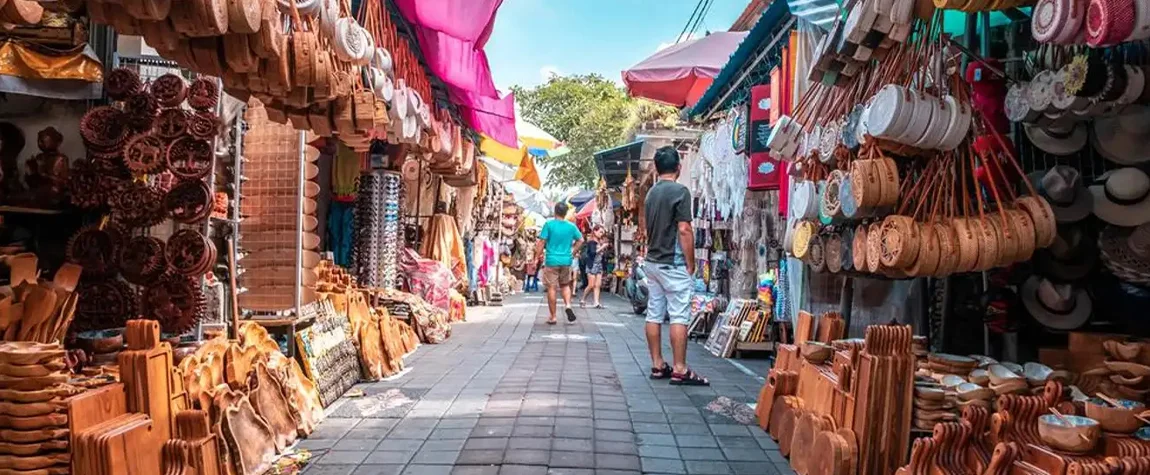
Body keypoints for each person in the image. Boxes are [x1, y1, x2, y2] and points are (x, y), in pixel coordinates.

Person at [642, 146, 708, 386]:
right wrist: (691, 263)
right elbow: (684, 229)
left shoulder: (650, 193)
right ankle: (680, 368)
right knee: (679, 315)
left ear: (657, 169)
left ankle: (658, 364)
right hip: (673, 262)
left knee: (654, 313)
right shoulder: (680, 191)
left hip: (653, 262)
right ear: (679, 168)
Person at [537, 202, 583, 324]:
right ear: (565, 213)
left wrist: (537, 257)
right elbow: (581, 240)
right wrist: (572, 253)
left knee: (552, 288)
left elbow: (541, 242)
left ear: (555, 212)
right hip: (566, 261)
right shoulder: (571, 226)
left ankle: (553, 316)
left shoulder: (549, 224)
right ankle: (568, 305)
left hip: (552, 260)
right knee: (565, 285)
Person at [580, 226, 609, 308]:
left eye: (602, 232)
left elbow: (602, 256)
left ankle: (596, 302)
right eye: (600, 232)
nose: (601, 234)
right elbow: (593, 253)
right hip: (591, 264)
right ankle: (583, 299)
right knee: (591, 285)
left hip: (599, 264)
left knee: (598, 285)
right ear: (595, 232)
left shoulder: (600, 242)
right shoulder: (591, 242)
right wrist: (602, 247)